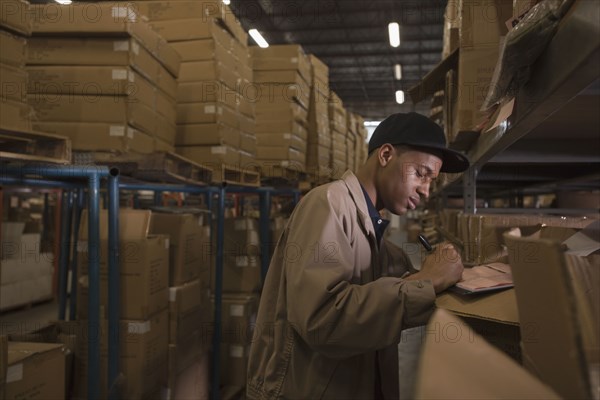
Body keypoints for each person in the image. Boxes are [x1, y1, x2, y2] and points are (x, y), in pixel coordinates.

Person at [246, 112, 470, 399]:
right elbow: (322, 320)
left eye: (432, 181)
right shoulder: (328, 205)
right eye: (421, 174)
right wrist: (425, 282)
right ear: (386, 155)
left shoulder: (379, 239)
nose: (426, 191)